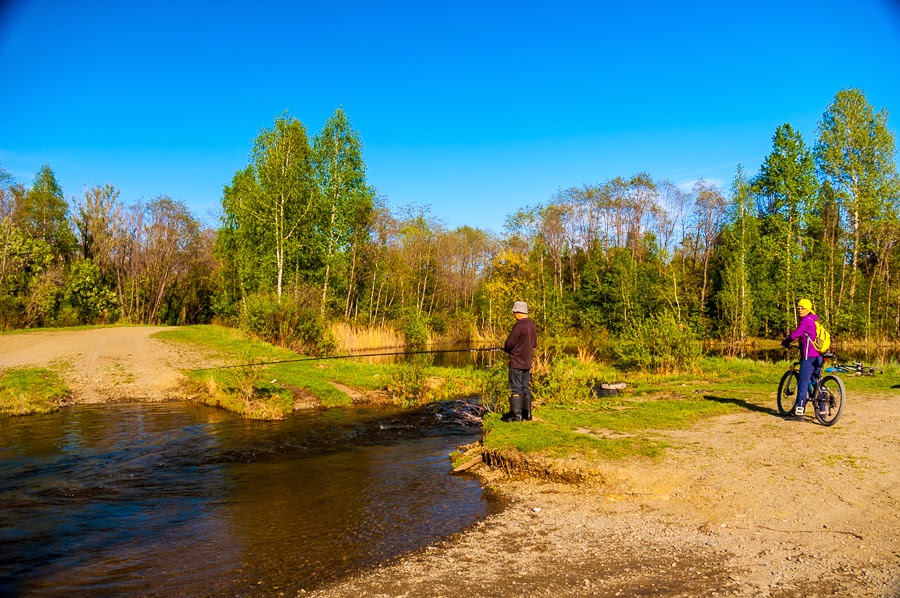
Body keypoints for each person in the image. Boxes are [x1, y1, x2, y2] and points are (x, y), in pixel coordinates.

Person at [780, 298, 823, 418]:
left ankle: (799, 412)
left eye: (802, 308)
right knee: (815, 382)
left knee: (803, 383)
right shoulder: (813, 321)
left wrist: (785, 342)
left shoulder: (806, 321)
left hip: (808, 356)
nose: (800, 310)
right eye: (798, 308)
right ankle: (822, 410)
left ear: (808, 309)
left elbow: (795, 334)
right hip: (818, 356)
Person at [502, 301, 537, 422]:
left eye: (514, 312)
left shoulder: (519, 326)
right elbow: (534, 344)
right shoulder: (532, 326)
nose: (513, 314)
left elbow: (509, 343)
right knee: (524, 387)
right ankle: (527, 414)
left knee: (515, 388)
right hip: (527, 362)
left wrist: (507, 349)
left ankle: (516, 415)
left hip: (516, 362)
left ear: (518, 312)